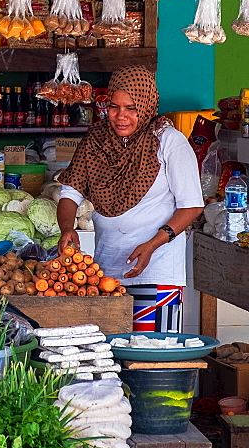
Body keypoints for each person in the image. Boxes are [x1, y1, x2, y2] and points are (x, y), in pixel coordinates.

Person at [56, 65, 203, 332]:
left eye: (132, 108)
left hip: (158, 272)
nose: (121, 116)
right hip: (105, 273)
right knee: (111, 358)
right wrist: (67, 228)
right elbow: (70, 191)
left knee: (153, 357)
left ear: (146, 105)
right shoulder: (95, 141)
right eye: (114, 107)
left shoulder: (169, 142)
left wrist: (152, 245)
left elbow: (191, 205)